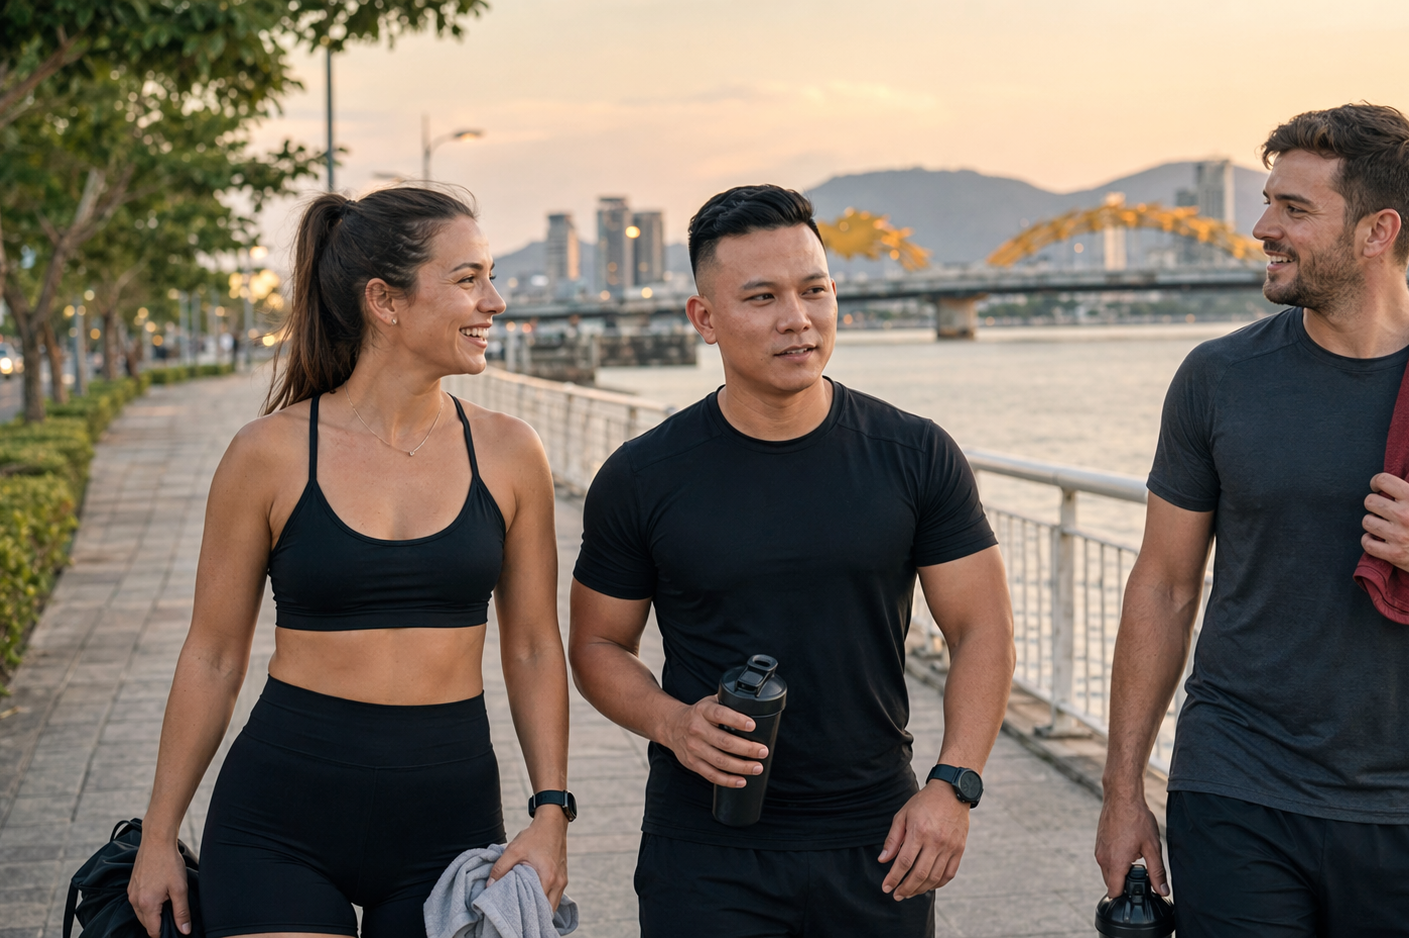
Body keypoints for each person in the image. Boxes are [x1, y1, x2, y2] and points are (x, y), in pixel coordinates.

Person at [1094, 104, 1409, 936]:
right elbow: (1163, 587)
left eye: (1293, 210)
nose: (1262, 228)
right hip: (1233, 787)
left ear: (1376, 231)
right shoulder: (1215, 379)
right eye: (1267, 203)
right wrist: (1123, 796)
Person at [568, 184, 1016, 938]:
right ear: (703, 319)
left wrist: (953, 785)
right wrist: (673, 723)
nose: (796, 319)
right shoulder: (644, 475)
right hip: (704, 843)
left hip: (878, 839)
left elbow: (983, 630)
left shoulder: (913, 454)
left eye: (815, 290)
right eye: (762, 297)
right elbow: (595, 643)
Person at [127, 187, 575, 938]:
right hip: (280, 817)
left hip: (449, 821)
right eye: (467, 279)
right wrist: (158, 834)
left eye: (489, 276)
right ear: (385, 302)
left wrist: (552, 812)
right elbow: (211, 655)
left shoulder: (509, 452)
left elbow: (532, 645)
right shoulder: (266, 454)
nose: (493, 301)